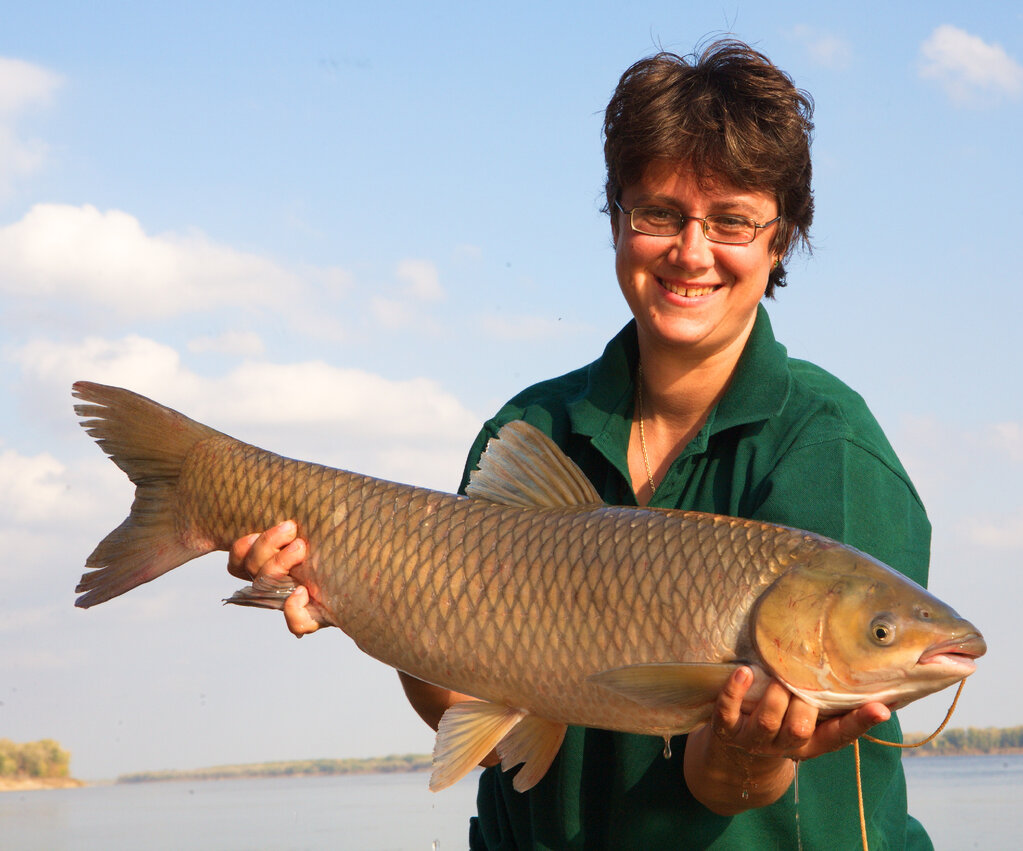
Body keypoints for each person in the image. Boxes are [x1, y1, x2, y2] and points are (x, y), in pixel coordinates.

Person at [230, 39, 935, 849]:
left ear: (780, 239)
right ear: (617, 219)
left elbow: (731, 787)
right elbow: (481, 724)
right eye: (659, 213)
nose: (691, 250)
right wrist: (364, 597)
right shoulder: (532, 424)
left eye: (733, 221)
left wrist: (749, 745)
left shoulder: (830, 448)